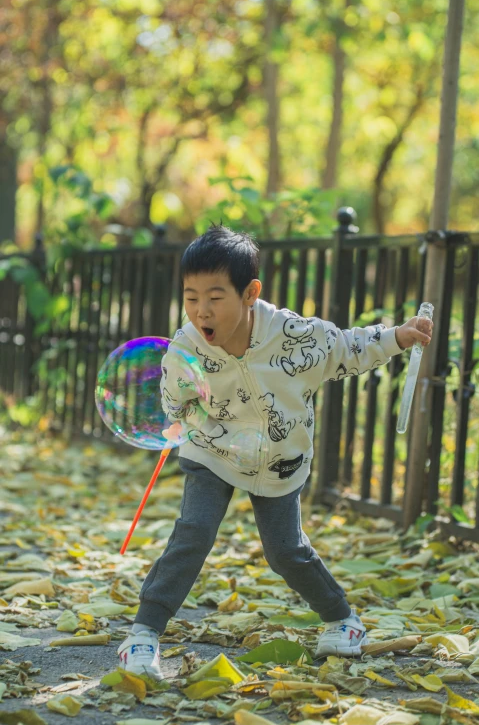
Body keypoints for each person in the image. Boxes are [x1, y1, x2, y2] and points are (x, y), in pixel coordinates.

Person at [117, 225, 433, 679]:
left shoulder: (293, 335)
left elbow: (344, 348)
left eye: (215, 296)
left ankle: (343, 621)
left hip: (280, 459)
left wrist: (398, 337)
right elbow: (176, 401)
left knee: (286, 550)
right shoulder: (186, 345)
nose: (201, 311)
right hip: (212, 452)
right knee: (194, 533)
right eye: (190, 297)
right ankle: (143, 634)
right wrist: (177, 412)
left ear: (250, 293)